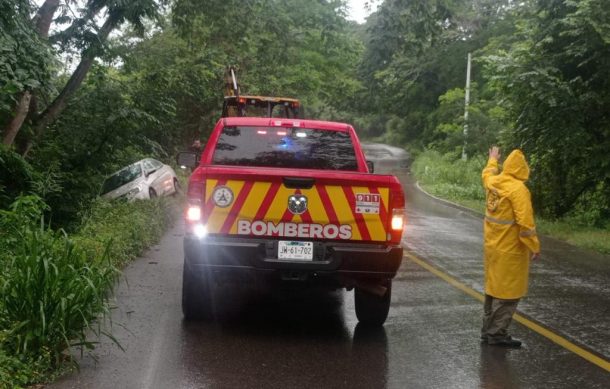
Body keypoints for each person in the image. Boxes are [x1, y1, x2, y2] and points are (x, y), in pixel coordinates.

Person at [480, 146, 540, 348]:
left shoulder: (494, 182)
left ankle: (487, 331)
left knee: (493, 290)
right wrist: (534, 245)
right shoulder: (518, 190)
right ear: (522, 169)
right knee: (508, 295)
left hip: (492, 248)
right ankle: (497, 334)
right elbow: (525, 222)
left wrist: (492, 160)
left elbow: (487, 174)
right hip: (510, 250)